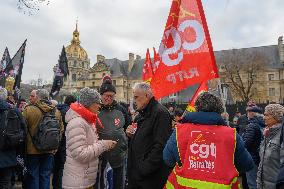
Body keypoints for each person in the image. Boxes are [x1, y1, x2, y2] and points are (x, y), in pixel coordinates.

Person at [163, 92, 254, 189]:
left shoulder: (180, 131)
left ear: (197, 108)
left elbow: (168, 159)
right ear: (219, 111)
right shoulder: (231, 134)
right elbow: (247, 164)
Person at [62, 87, 117, 189]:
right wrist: (103, 145)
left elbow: (88, 145)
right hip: (77, 183)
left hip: (84, 179)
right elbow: (80, 153)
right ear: (89, 104)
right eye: (97, 102)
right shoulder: (77, 123)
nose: (99, 105)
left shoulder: (86, 120)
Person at [126, 82, 172, 189]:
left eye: (136, 97)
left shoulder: (161, 113)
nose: (134, 100)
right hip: (136, 175)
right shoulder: (141, 114)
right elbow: (143, 139)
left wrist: (144, 169)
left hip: (149, 178)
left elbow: (160, 146)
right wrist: (131, 135)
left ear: (146, 96)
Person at [23, 89, 64, 189]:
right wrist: (55, 146)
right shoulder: (56, 111)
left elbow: (22, 129)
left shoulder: (29, 110)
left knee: (33, 176)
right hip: (50, 150)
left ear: (38, 97)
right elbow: (61, 130)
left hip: (32, 150)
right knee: (45, 176)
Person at [95, 76, 131, 189]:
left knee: (118, 181)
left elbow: (129, 126)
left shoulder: (121, 110)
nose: (109, 98)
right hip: (101, 154)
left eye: (111, 96)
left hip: (119, 153)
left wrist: (126, 139)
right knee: (101, 180)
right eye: (106, 96)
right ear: (101, 95)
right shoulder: (96, 109)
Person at [0, 87, 26, 188]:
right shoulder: (15, 111)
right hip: (9, 154)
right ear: (6, 97)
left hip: (8, 153)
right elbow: (23, 132)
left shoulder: (14, 111)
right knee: (6, 183)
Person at [257, 104, 284, 189]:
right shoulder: (267, 133)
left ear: (276, 117)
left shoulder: (281, 135)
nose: (264, 117)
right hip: (262, 184)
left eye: (267, 115)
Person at [52, 95, 76, 189]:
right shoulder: (70, 112)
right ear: (72, 103)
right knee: (63, 167)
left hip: (55, 142)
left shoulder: (56, 110)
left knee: (56, 167)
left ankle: (55, 185)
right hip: (65, 143)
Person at [243, 105, 264, 189]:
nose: (247, 114)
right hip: (260, 156)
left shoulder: (252, 125)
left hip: (252, 157)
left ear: (252, 113)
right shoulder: (263, 124)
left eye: (248, 112)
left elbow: (246, 143)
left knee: (252, 182)